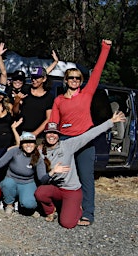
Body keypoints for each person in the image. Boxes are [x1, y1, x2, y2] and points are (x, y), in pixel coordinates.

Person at [49, 39, 112, 226]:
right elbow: (53, 122)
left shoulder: (87, 94)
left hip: (84, 140)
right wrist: (51, 142)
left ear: (81, 81)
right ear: (66, 80)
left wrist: (105, 48)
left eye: (77, 78)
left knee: (86, 177)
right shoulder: (59, 100)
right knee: (61, 176)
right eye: (71, 78)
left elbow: (98, 71)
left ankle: (88, 213)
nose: (74, 81)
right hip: (65, 141)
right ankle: (56, 208)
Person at [36, 112, 125, 228]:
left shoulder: (68, 145)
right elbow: (42, 179)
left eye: (54, 133)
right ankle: (51, 210)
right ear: (45, 134)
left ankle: (77, 207)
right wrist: (53, 172)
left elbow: (89, 135)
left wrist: (110, 122)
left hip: (71, 190)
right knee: (40, 192)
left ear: (58, 135)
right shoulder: (41, 152)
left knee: (67, 224)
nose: (51, 136)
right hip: (56, 188)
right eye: (49, 133)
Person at [0, 131, 50, 216]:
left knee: (30, 205)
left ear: (35, 144)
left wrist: (51, 173)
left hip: (27, 183)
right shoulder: (15, 151)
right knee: (7, 184)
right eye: (25, 143)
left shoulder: (38, 157)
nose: (28, 145)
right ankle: (9, 205)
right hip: (12, 180)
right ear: (21, 144)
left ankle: (20, 203)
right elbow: (0, 163)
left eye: (31, 142)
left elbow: (42, 179)